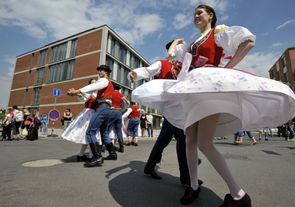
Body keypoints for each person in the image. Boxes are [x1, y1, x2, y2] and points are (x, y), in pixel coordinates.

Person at [131, 4, 295, 206]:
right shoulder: (193, 43)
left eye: (200, 12)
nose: (196, 16)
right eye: (194, 14)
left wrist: (225, 70)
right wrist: (174, 44)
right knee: (191, 141)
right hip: (194, 91)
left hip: (210, 90)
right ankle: (193, 186)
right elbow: (171, 59)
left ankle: (238, 194)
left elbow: (248, 41)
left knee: (204, 143)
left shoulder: (218, 32)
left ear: (211, 16)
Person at [128, 40, 200, 185]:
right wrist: (136, 73)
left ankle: (149, 166)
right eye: (179, 49)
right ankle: (186, 176)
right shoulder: (163, 63)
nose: (182, 51)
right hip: (169, 106)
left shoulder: (185, 67)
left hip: (180, 107)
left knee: (165, 138)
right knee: (182, 138)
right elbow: (148, 70)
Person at [67, 65, 117, 167]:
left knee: (90, 132)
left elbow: (91, 87)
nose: (99, 72)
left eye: (101, 70)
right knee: (103, 133)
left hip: (102, 108)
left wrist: (76, 91)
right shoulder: (106, 84)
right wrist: (77, 94)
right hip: (106, 109)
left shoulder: (104, 80)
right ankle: (112, 154)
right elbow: (88, 93)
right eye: (98, 71)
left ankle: (97, 157)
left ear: (106, 72)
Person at [62, 78, 100, 161]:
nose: (94, 85)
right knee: (91, 135)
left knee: (86, 136)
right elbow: (82, 97)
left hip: (94, 114)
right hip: (88, 114)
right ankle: (91, 156)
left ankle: (80, 155)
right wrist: (75, 93)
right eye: (92, 83)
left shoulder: (98, 94)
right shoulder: (88, 93)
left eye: (95, 83)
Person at [107, 85, 129, 152]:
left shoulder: (110, 93)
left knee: (106, 128)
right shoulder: (121, 95)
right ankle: (121, 147)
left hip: (112, 111)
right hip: (119, 112)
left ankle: (103, 145)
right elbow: (126, 104)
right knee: (119, 130)